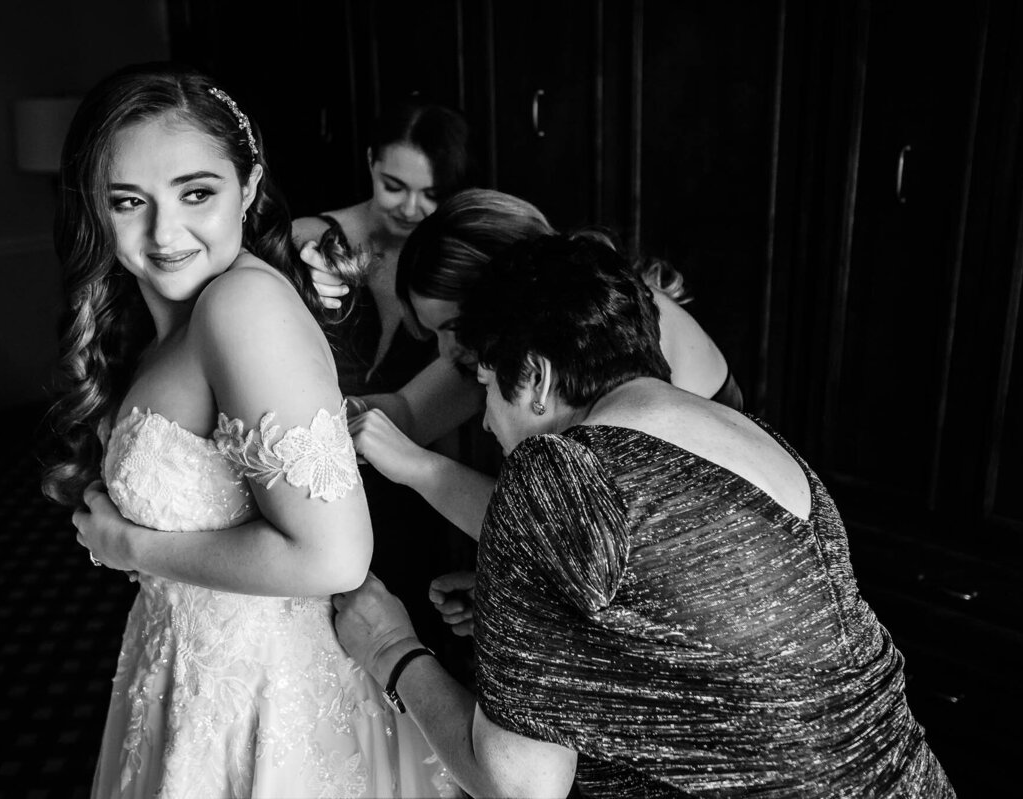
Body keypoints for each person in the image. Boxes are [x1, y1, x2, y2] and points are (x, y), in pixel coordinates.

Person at [331, 233, 955, 797]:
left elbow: (519, 786)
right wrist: (534, 612)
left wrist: (390, 646)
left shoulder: (558, 470)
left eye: (489, 385)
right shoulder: (752, 437)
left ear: (540, 379)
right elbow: (714, 657)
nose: (488, 418)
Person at [41, 63, 457, 798]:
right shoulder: (169, 315)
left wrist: (129, 544)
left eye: (197, 192)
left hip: (269, 696)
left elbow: (333, 555)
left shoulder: (241, 308)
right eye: (129, 200)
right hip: (190, 671)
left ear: (251, 186)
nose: (165, 232)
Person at [313, 188, 743, 635]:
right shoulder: (510, 339)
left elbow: (585, 542)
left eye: (454, 327)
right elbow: (407, 412)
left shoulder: (622, 337)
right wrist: (306, 413)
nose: (448, 352)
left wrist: (418, 468)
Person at [293, 102, 475, 657]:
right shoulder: (308, 242)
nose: (412, 208)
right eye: (395, 185)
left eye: (432, 194)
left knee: (410, 631)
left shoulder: (445, 266)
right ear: (370, 163)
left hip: (410, 479)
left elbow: (436, 399)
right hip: (312, 469)